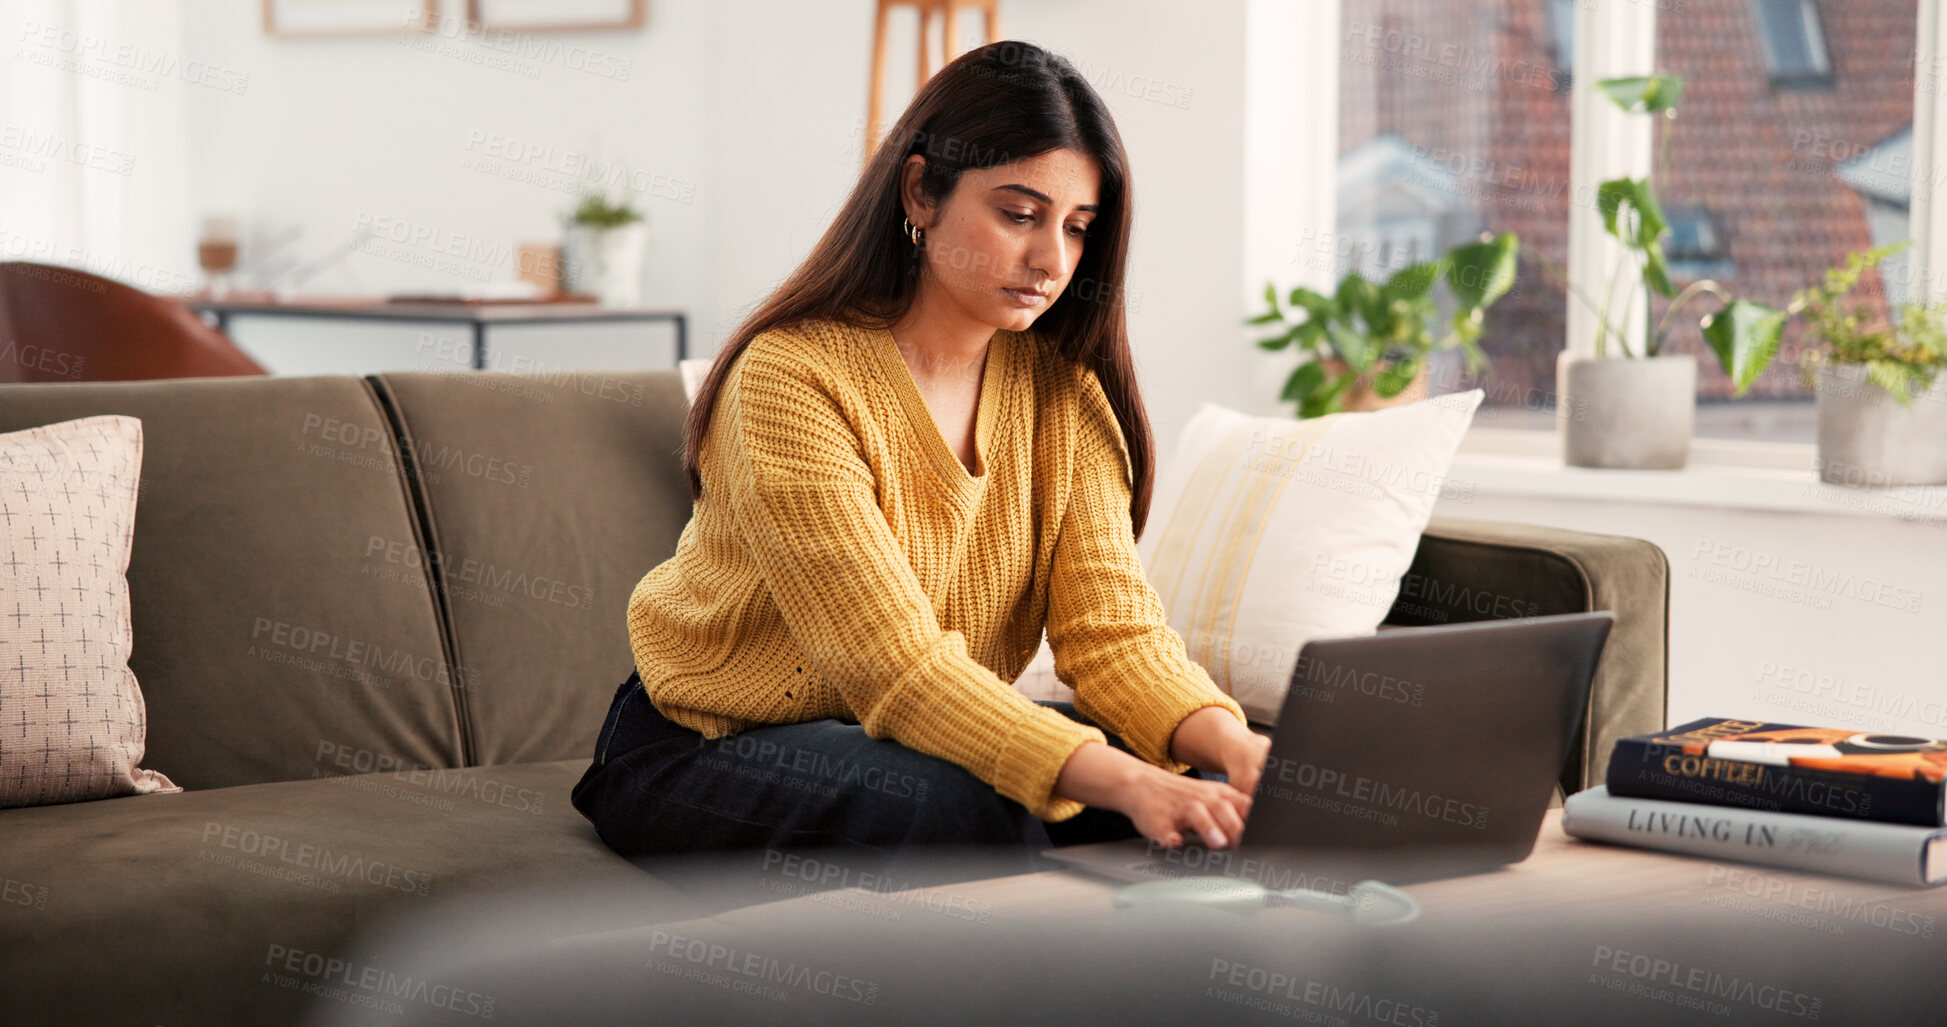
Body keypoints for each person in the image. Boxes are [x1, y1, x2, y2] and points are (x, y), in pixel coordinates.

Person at [570, 40, 1270, 879]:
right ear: (919, 192)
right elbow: (893, 664)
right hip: (702, 748)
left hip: (895, 737)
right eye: (1019, 214)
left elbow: (1112, 635)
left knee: (1197, 786)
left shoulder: (1065, 395)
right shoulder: (792, 379)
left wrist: (1231, 745)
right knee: (981, 805)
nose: (1051, 260)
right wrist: (1121, 778)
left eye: (1077, 228)